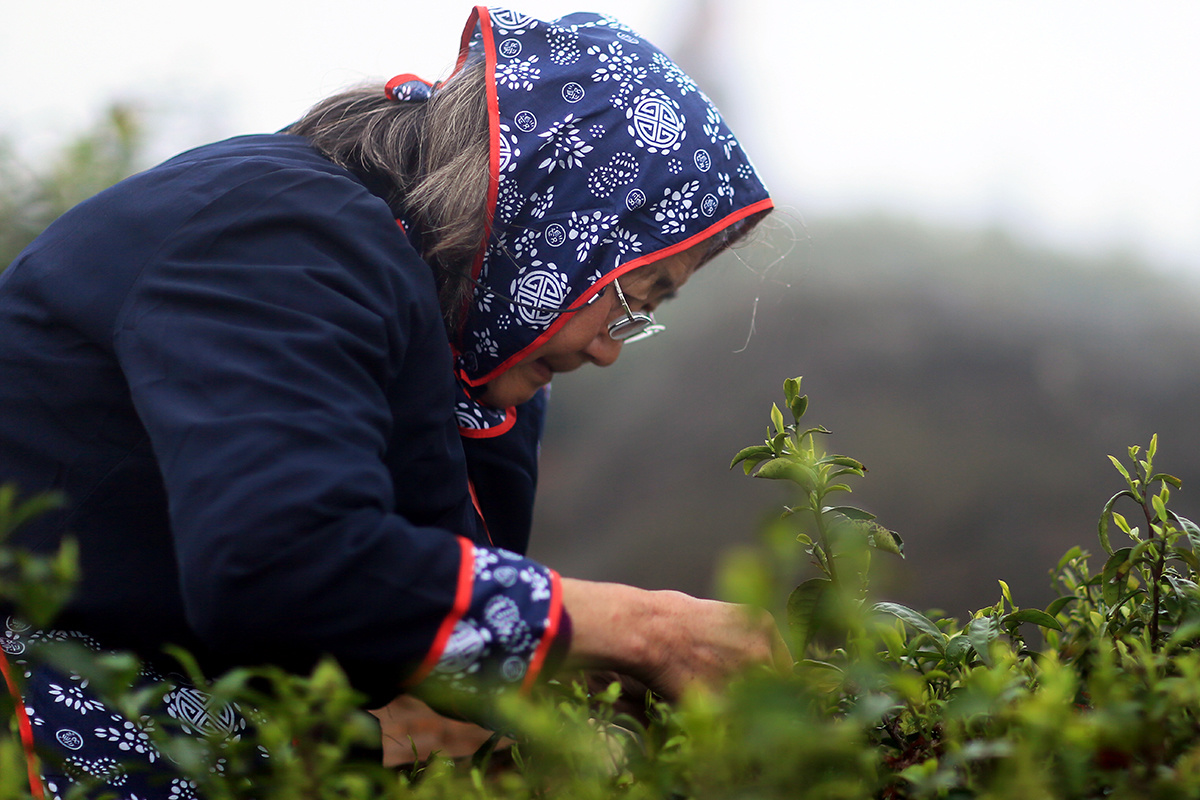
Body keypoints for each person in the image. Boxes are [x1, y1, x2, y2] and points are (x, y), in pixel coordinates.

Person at [0, 6, 788, 797]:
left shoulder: (466, 361)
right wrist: (644, 631)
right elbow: (285, 565)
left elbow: (410, 627)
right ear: (560, 222)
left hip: (177, 712)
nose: (611, 346)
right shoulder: (282, 234)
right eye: (630, 295)